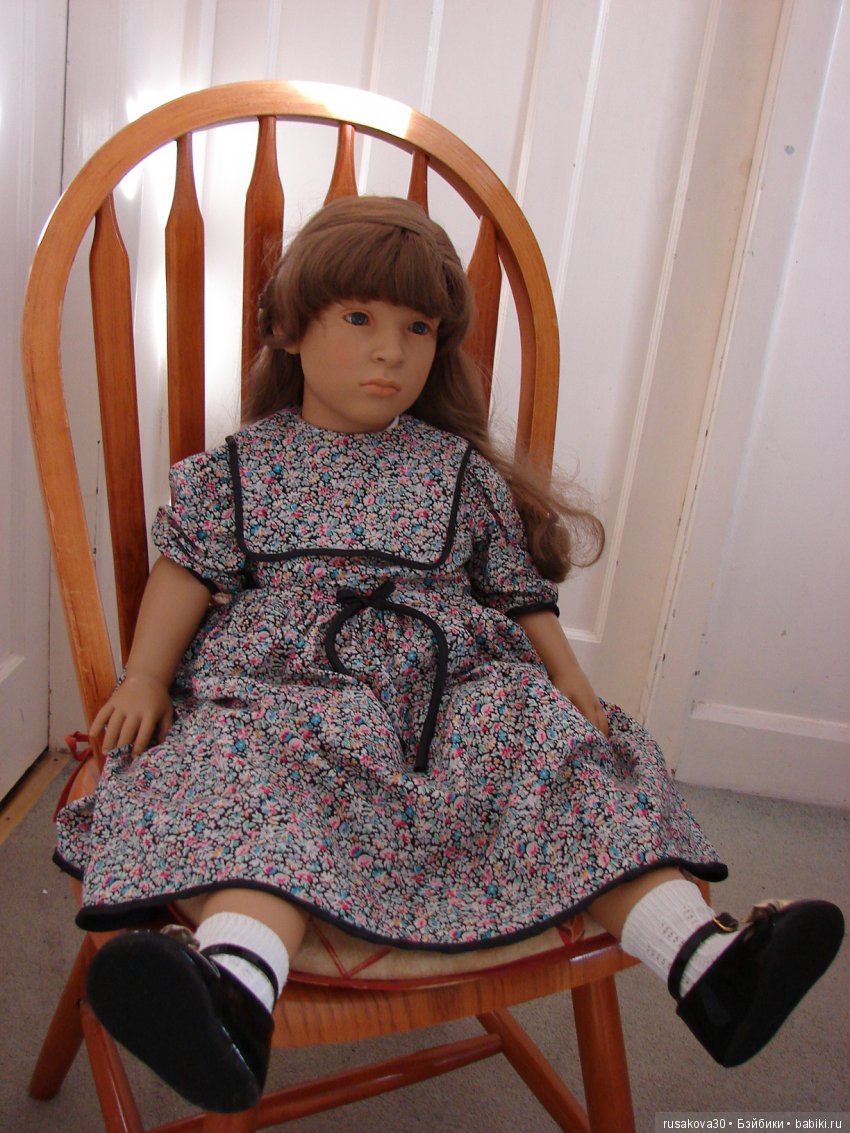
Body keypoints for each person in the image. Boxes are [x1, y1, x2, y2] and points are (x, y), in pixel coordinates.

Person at [55, 196, 843, 1114]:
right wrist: (147, 673)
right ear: (288, 329)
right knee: (250, 774)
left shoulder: (453, 469)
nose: (391, 350)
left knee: (552, 748)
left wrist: (567, 679)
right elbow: (187, 569)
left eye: (419, 328)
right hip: (291, 690)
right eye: (359, 318)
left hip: (450, 688)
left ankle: (707, 967)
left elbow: (511, 586)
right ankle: (232, 993)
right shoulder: (239, 467)